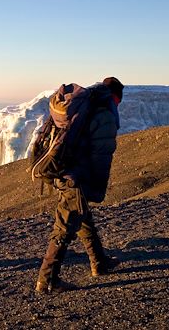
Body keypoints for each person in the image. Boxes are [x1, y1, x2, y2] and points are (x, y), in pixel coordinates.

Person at [35, 77, 124, 294]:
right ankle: (47, 280)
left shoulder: (83, 107)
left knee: (82, 216)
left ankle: (99, 262)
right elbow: (102, 155)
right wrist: (97, 186)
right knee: (64, 227)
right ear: (116, 97)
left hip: (62, 169)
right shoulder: (103, 115)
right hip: (76, 176)